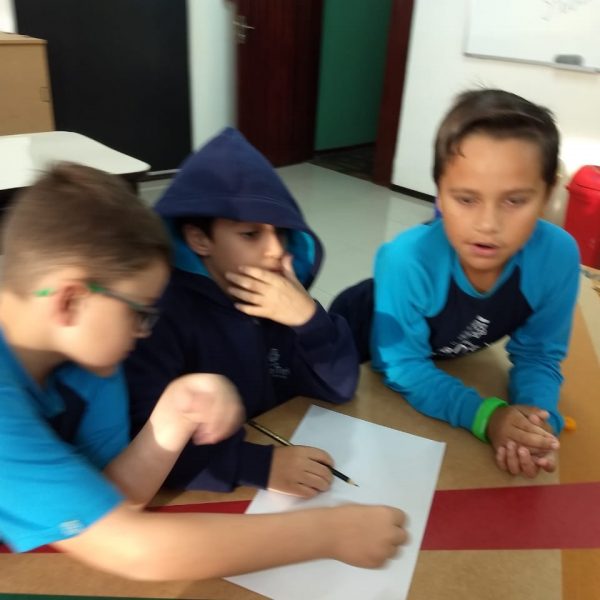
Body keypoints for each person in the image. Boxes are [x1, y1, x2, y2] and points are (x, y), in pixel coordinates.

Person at [0, 163, 406, 579]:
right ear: (69, 301)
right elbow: (133, 548)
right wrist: (330, 532)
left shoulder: (87, 362)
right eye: (140, 313)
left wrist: (174, 413)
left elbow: (116, 499)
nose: (144, 332)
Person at [330, 89, 580, 478]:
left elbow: (539, 354)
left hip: (447, 347)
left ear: (547, 195)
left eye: (514, 200)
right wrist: (488, 417)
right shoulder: (405, 260)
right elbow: (402, 366)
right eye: (466, 199)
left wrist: (535, 421)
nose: (488, 224)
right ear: (440, 194)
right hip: (359, 340)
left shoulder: (558, 256)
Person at [125, 127, 359, 497]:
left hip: (271, 443)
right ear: (199, 239)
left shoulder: (280, 298)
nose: (274, 250)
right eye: (251, 235)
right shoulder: (160, 317)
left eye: (281, 233)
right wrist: (258, 466)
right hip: (210, 486)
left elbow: (340, 386)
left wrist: (308, 320)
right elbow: (145, 443)